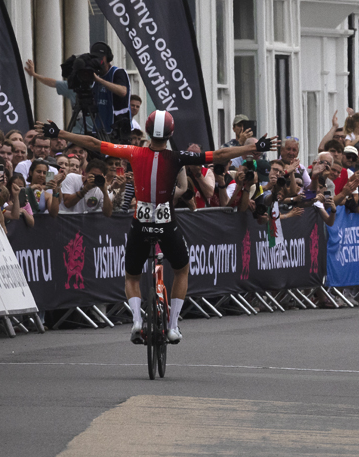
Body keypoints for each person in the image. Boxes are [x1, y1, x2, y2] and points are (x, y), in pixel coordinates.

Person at [37, 112, 278, 345]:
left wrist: (59, 132)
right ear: (171, 133)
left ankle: (136, 320)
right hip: (166, 222)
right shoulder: (178, 157)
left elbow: (93, 143)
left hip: (140, 221)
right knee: (182, 270)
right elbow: (221, 154)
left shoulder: (133, 151)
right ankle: (173, 326)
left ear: (148, 131)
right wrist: (251, 148)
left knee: (132, 275)